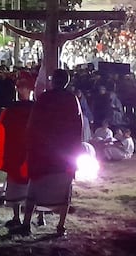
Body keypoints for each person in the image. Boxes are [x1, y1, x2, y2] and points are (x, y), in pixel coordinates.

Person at [11, 69, 83, 238]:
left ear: (53, 81)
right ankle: (60, 226)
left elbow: (33, 124)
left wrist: (31, 146)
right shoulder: (71, 99)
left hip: (43, 153)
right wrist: (74, 151)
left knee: (34, 189)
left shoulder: (44, 98)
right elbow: (77, 127)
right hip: (63, 154)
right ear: (66, 82)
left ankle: (27, 223)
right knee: (64, 189)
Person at [0, 77, 35, 228]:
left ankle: (32, 218)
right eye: (19, 88)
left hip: (30, 151)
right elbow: (4, 129)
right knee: (15, 184)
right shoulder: (11, 109)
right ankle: (16, 217)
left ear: (31, 90)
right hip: (14, 149)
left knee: (32, 186)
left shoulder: (35, 108)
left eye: (24, 88)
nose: (21, 91)